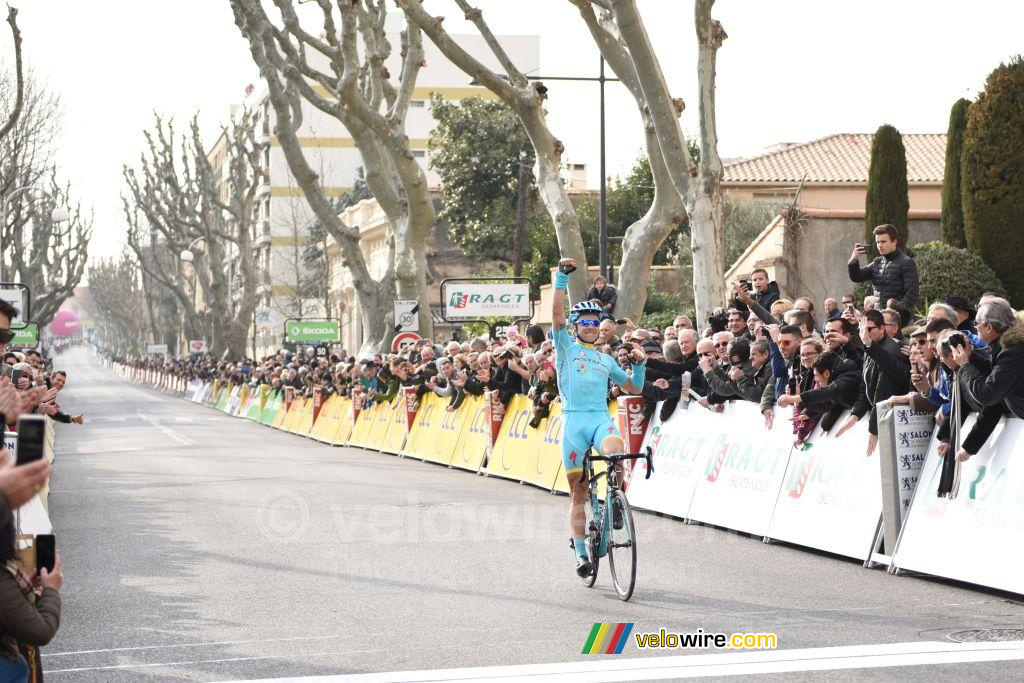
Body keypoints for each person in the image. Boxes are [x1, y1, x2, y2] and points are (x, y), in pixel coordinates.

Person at [551, 257, 645, 578]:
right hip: (574, 423)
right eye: (586, 322)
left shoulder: (605, 360)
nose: (592, 327)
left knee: (617, 450)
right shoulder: (565, 346)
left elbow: (633, 387)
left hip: (599, 420)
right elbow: (555, 316)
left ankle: (615, 501)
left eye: (596, 322)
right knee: (577, 492)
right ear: (577, 327)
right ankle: (580, 553)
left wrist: (640, 364)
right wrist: (562, 279)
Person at [950, 298, 1024, 459]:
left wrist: (964, 365)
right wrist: (971, 356)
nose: (974, 327)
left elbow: (988, 395)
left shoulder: (1013, 351)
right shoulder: (1006, 347)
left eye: (976, 323)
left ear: (989, 327)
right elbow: (995, 379)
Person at [847, 223, 920, 309]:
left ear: (894, 242)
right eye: (878, 242)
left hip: (896, 317)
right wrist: (853, 260)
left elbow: (912, 292)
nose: (879, 245)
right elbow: (857, 277)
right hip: (879, 315)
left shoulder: (907, 262)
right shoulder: (877, 262)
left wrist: (898, 312)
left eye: (883, 242)